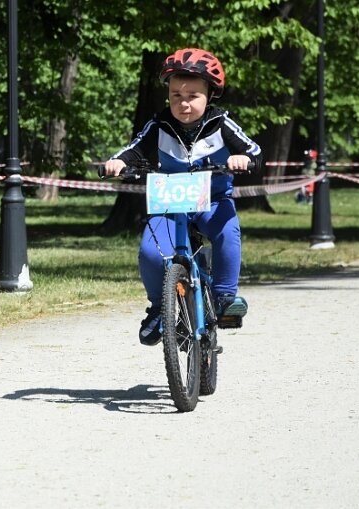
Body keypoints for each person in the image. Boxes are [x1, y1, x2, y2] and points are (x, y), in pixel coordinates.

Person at [101, 48, 262, 346]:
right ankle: (160, 308)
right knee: (151, 252)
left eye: (192, 96)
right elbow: (133, 149)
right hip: (170, 203)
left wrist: (242, 159)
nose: (183, 103)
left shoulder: (222, 123)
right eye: (176, 95)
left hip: (212, 201)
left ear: (210, 95)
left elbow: (253, 151)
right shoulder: (160, 124)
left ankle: (225, 296)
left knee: (228, 233)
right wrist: (119, 163)